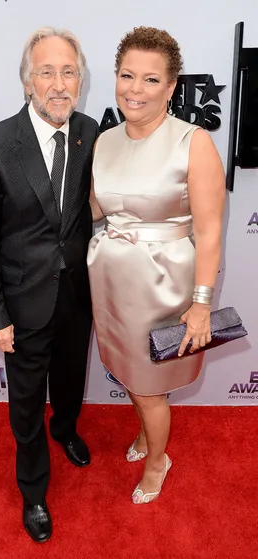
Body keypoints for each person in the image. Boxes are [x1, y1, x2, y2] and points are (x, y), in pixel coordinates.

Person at [0, 27, 99, 542]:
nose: (59, 83)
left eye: (69, 72)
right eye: (47, 72)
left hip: (78, 298)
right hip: (22, 303)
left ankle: (65, 429)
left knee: (69, 379)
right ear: (27, 82)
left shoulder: (92, 132)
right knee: (25, 403)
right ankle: (34, 490)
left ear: (81, 80)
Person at [88, 26, 225, 505]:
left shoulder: (194, 142)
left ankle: (156, 462)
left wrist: (202, 305)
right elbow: (95, 209)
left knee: (151, 388)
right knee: (129, 374)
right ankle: (147, 438)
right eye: (127, 76)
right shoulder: (103, 142)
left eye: (150, 80)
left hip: (164, 280)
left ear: (170, 87)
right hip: (111, 278)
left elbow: (208, 232)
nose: (135, 89)